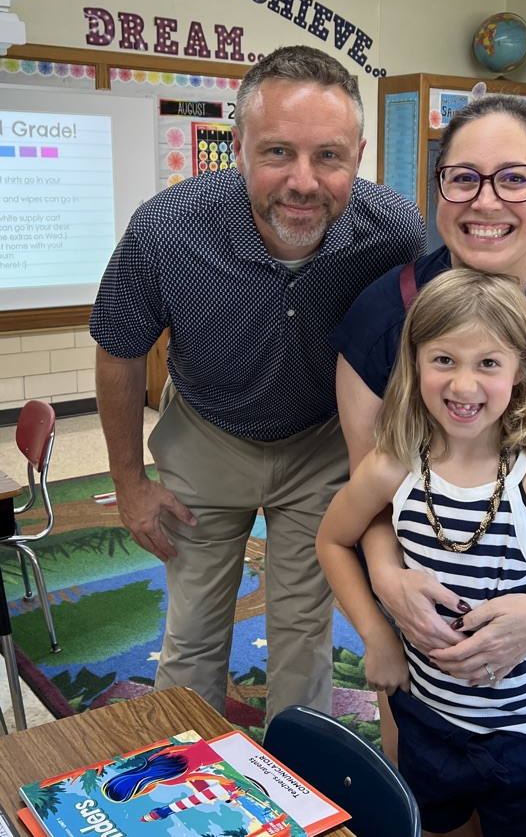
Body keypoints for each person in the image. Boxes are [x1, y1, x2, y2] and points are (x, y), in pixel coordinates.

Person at [88, 44, 427, 722]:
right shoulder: (166, 228)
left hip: (321, 441)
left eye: (328, 156)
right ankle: (183, 772)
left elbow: (432, 351)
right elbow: (119, 351)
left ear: (358, 154)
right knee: (192, 630)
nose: (302, 181)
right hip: (207, 434)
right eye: (277, 153)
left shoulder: (394, 233)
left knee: (304, 629)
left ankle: (298, 791)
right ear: (237, 146)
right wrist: (129, 483)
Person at [329, 93, 526, 763]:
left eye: (513, 178)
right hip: (424, 600)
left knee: (523, 778)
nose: (485, 201)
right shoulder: (377, 321)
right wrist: (388, 583)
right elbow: (373, 499)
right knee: (421, 772)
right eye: (463, 177)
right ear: (439, 189)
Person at [318, 269, 526, 837]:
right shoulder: (392, 465)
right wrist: (378, 636)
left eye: (488, 363)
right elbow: (332, 539)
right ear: (414, 362)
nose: (463, 386)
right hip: (427, 719)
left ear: (522, 369)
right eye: (443, 360)